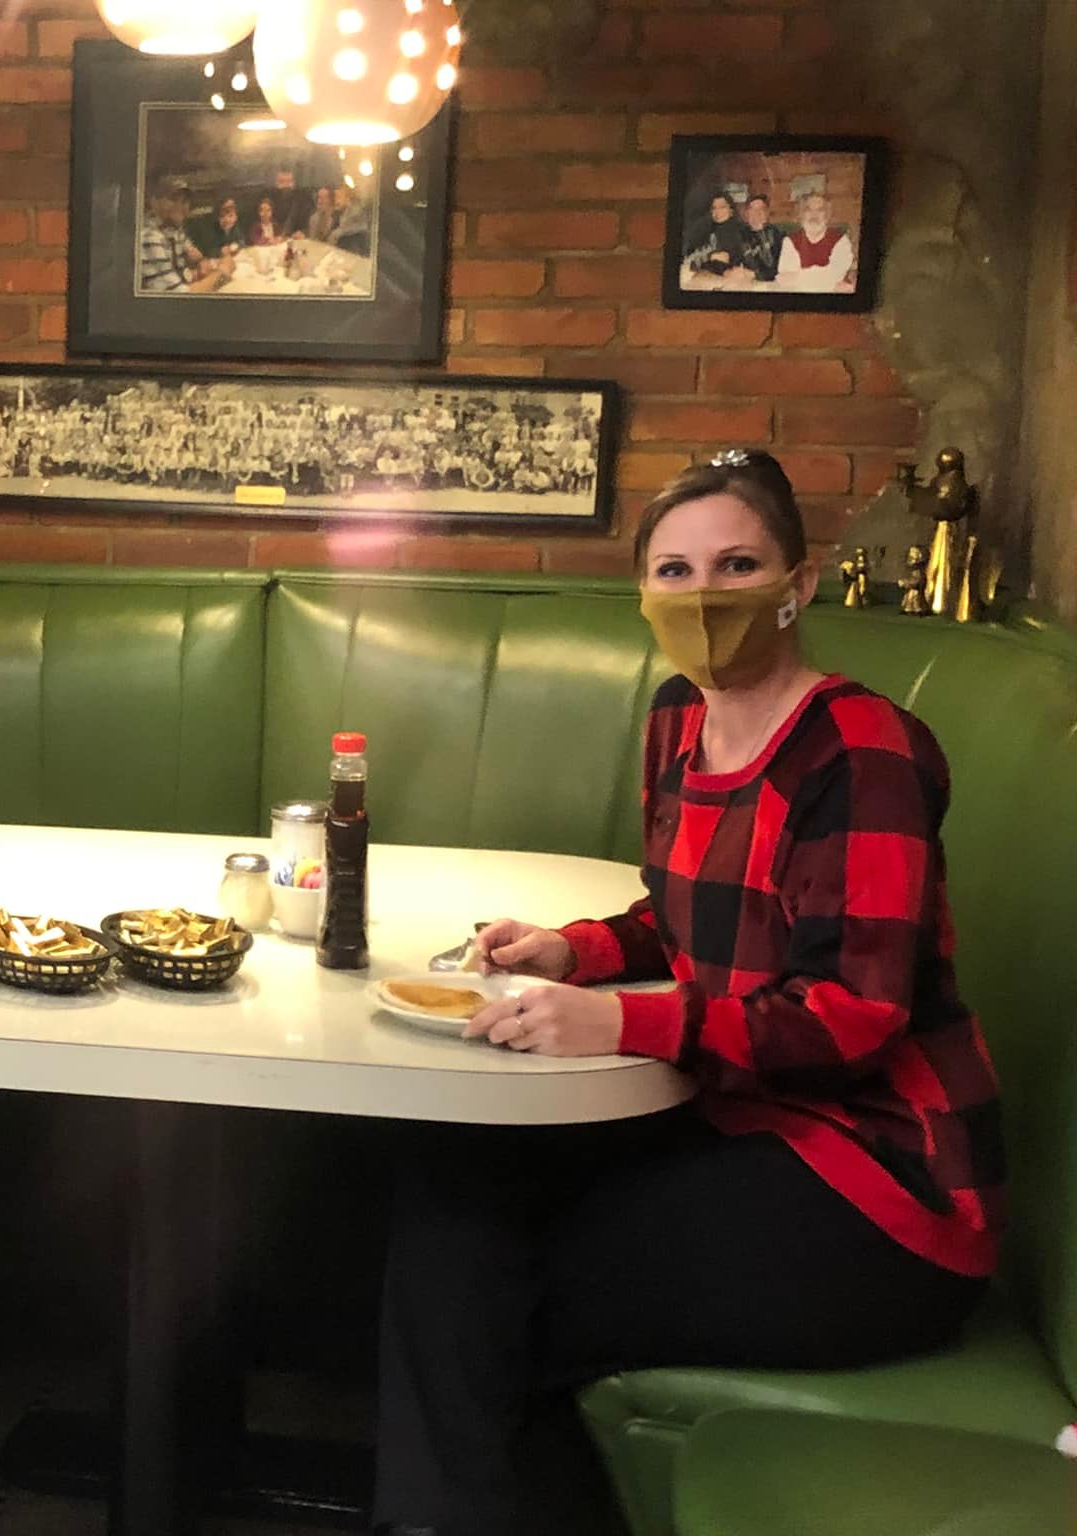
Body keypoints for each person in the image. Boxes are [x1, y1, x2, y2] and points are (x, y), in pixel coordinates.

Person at [371, 449, 1001, 1536]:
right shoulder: (678, 717)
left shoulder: (860, 750)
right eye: (673, 571)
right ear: (643, 594)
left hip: (883, 1189)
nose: (703, 596)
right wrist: (572, 952)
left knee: (484, 1299)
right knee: (449, 1204)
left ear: (797, 586)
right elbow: (686, 916)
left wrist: (621, 1018)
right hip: (735, 1122)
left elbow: (852, 1016)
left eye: (736, 565)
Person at [138, 175, 233, 293]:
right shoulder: (149, 237)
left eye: (185, 202)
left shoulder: (174, 231)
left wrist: (201, 264)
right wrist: (223, 273)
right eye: (173, 199)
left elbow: (194, 261)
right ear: (153, 202)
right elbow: (181, 297)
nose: (182, 208)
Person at [779, 191, 856, 292]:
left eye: (820, 210)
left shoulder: (841, 240)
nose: (814, 215)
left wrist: (798, 277)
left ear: (827, 215)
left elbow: (836, 275)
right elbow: (785, 279)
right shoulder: (790, 241)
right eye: (808, 210)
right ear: (802, 214)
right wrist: (830, 283)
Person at [684, 192, 746, 284]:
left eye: (722, 207)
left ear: (731, 210)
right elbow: (692, 255)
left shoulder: (740, 230)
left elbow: (727, 258)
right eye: (714, 208)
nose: (717, 211)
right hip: (703, 274)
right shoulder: (706, 228)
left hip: (730, 278)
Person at [734, 193, 784, 283]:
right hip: (747, 282)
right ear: (747, 213)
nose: (757, 213)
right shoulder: (739, 235)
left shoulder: (777, 234)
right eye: (753, 209)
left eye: (761, 209)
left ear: (767, 213)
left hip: (773, 283)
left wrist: (754, 275)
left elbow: (779, 266)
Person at [190, 195, 244, 260]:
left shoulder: (234, 227)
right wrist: (219, 251)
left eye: (230, 216)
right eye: (222, 216)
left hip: (230, 258)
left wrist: (236, 245)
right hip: (213, 259)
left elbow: (241, 240)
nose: (227, 220)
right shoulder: (211, 230)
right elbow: (206, 250)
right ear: (217, 218)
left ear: (236, 217)